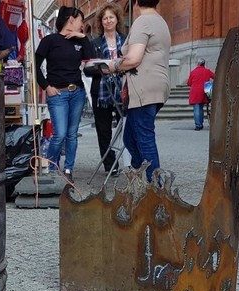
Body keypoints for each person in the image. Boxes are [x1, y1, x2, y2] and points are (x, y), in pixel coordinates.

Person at [103, 0, 170, 182]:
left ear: (136, 3)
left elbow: (133, 58)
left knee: (143, 137)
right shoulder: (160, 21)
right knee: (131, 137)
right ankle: (145, 179)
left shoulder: (143, 21)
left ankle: (155, 188)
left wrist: (111, 66)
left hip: (143, 87)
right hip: (154, 86)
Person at [35, 6, 95, 182]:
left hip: (77, 92)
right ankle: (52, 167)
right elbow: (35, 66)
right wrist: (46, 86)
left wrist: (83, 38)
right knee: (59, 134)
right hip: (57, 93)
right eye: (80, 21)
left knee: (72, 134)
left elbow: (91, 60)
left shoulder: (79, 41)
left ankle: (68, 170)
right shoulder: (49, 40)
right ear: (71, 19)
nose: (82, 25)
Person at [89, 3, 125, 176]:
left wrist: (118, 67)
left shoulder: (126, 41)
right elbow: (87, 68)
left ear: (117, 19)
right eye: (105, 18)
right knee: (103, 130)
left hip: (123, 90)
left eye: (111, 17)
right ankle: (111, 164)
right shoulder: (94, 43)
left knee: (127, 127)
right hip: (101, 92)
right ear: (101, 22)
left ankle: (130, 161)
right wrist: (101, 69)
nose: (108, 21)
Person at [187, 58, 214, 131]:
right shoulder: (207, 71)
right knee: (201, 108)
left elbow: (189, 83)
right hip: (205, 91)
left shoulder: (193, 72)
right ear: (204, 64)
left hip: (195, 91)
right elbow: (215, 76)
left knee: (196, 109)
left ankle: (198, 125)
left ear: (198, 64)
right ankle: (201, 123)